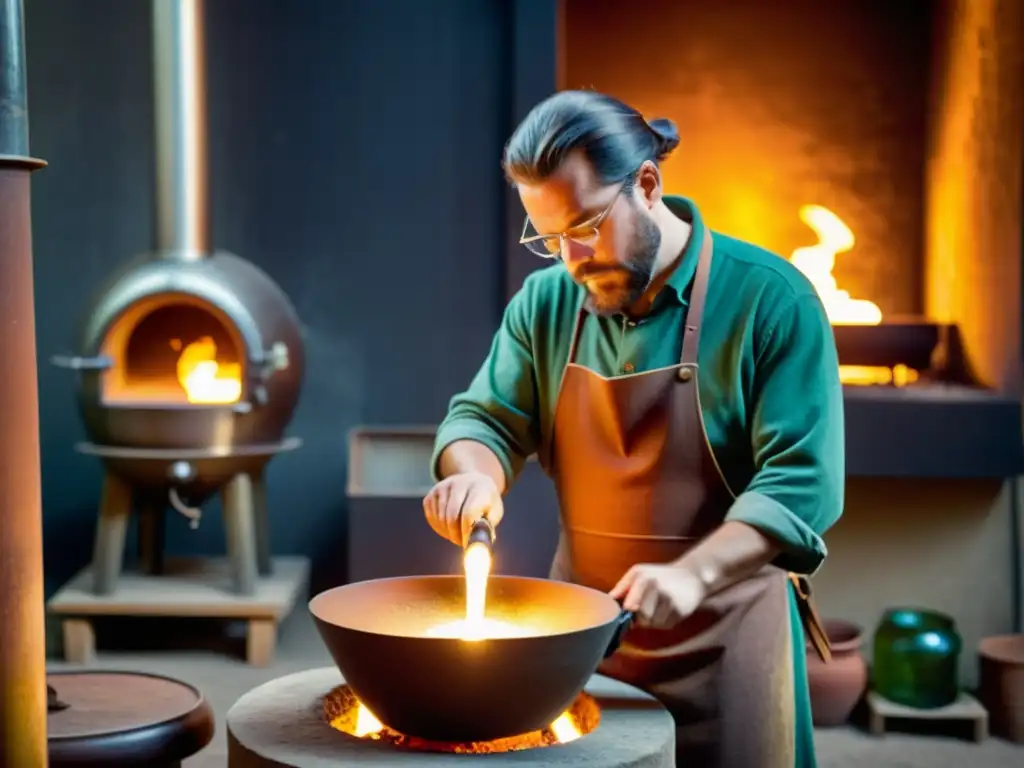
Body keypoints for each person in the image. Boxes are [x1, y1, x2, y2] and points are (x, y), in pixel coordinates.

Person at [422, 89, 843, 768]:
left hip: (729, 642)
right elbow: (485, 419)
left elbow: (803, 486)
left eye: (585, 226)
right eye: (548, 237)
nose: (571, 258)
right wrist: (474, 475)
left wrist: (693, 574)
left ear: (647, 184)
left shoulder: (772, 300)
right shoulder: (549, 301)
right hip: (581, 645)